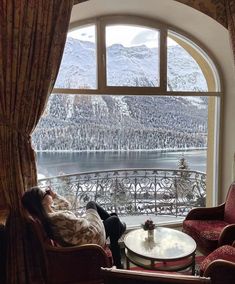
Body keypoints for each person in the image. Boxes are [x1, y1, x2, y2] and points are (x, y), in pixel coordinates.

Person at [21, 186, 126, 268]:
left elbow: (67, 206)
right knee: (112, 218)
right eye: (47, 193)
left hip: (80, 238)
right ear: (43, 201)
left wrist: (54, 196)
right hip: (90, 240)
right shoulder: (58, 217)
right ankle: (119, 230)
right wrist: (89, 217)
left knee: (109, 218)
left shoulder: (47, 215)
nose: (49, 193)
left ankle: (118, 259)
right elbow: (83, 225)